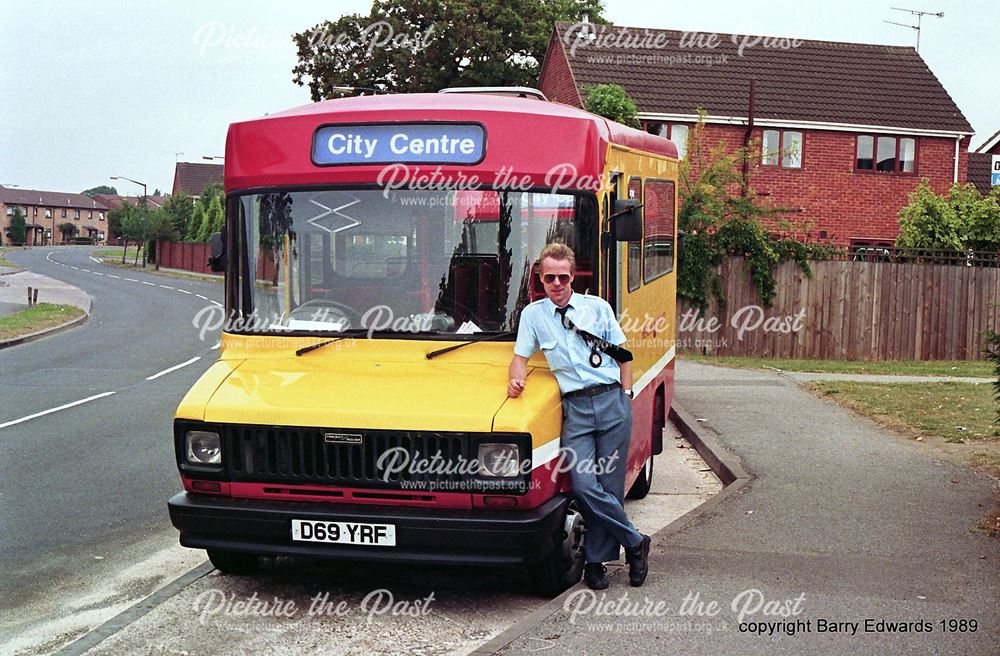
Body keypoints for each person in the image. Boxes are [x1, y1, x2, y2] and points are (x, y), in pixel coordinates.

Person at [507, 242, 650, 589]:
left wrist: (626, 395)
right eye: (549, 278)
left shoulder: (596, 308)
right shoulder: (533, 316)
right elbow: (520, 358)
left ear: (573, 276)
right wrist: (516, 377)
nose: (556, 284)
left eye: (563, 277)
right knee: (585, 486)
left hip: (611, 402)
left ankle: (596, 563)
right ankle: (635, 542)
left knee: (611, 487)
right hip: (576, 409)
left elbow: (624, 355)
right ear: (540, 279)